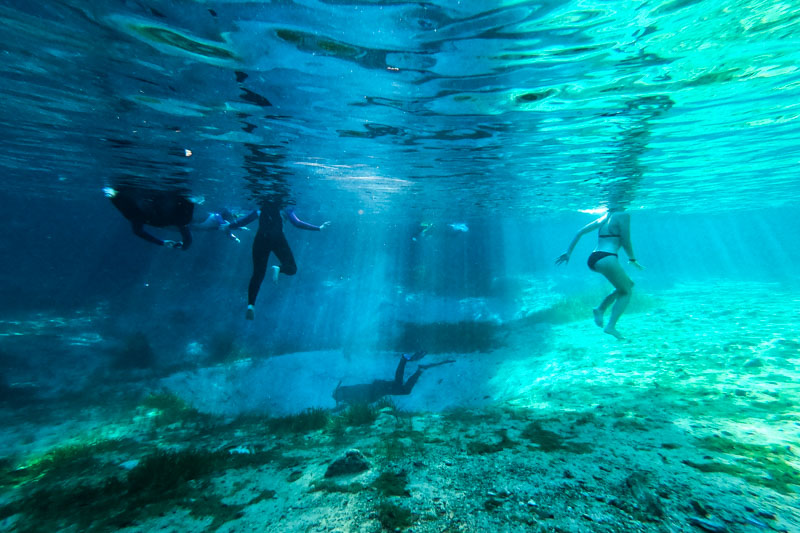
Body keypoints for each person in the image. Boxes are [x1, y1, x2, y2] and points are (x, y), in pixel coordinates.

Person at [231, 200, 330, 320]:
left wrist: (229, 226)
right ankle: (279, 268)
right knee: (292, 268)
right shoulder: (286, 207)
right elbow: (297, 223)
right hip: (277, 238)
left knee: (257, 273)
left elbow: (244, 221)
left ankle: (251, 305)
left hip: (260, 239)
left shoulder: (261, 206)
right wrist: (319, 228)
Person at [555, 207, 643, 339]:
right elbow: (625, 241)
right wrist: (632, 259)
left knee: (628, 285)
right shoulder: (623, 215)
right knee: (626, 292)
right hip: (607, 257)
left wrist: (568, 252)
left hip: (594, 258)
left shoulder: (605, 216)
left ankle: (600, 309)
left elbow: (580, 232)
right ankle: (610, 326)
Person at [332, 351, 454, 407]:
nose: (342, 400)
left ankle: (408, 363)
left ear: (340, 395)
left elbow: (361, 397)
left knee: (404, 389)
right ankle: (413, 366)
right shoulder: (349, 394)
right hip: (379, 389)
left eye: (340, 398)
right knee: (400, 385)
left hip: (379, 389)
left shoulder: (349, 396)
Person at [106, 186, 195, 250]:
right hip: (139, 196)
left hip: (138, 195)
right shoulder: (178, 218)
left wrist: (162, 243)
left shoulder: (177, 218)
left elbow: (138, 231)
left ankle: (114, 194)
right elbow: (138, 231)